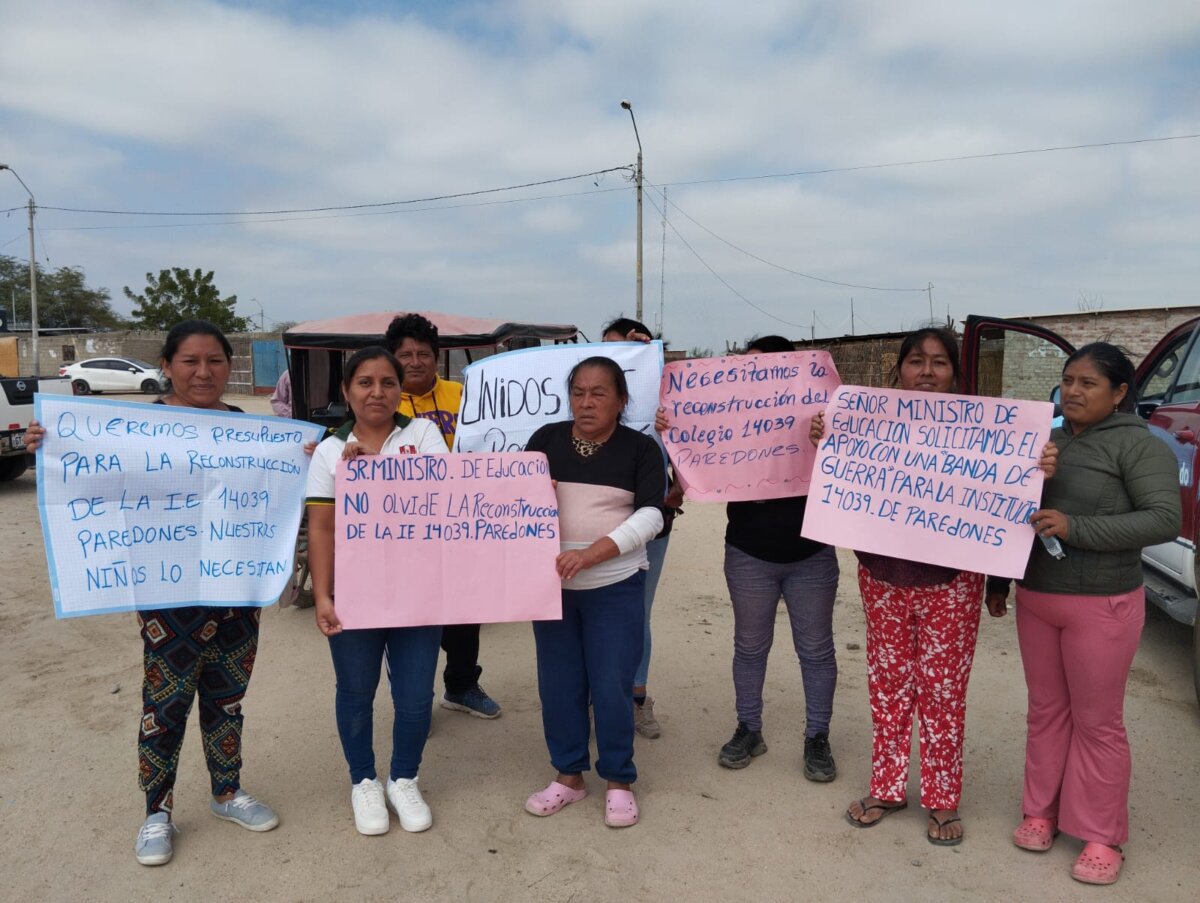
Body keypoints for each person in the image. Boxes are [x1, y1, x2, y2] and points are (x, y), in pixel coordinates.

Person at [26, 320, 281, 867]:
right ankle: (157, 812)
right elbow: (90, 479)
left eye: (215, 360)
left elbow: (274, 494)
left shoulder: (244, 427)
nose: (204, 372)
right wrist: (50, 447)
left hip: (236, 592)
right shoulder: (135, 426)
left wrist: (310, 456)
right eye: (190, 361)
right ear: (167, 366)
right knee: (164, 706)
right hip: (168, 596)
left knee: (227, 700)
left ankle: (226, 793)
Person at [813, 327, 1055, 845]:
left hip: (952, 585)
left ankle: (943, 800)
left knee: (943, 692)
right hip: (882, 578)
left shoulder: (988, 434)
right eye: (917, 361)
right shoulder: (867, 425)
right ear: (898, 369)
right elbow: (841, 490)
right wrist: (828, 441)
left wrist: (1037, 469)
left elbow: (1006, 513)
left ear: (955, 373)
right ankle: (888, 787)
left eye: (939, 362)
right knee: (888, 687)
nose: (927, 372)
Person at [986, 343, 1179, 885]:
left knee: (1098, 723)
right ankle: (1040, 812)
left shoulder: (1140, 448)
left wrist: (1078, 529)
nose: (1073, 390)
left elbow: (1164, 519)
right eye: (1068, 380)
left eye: (1089, 383)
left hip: (1103, 604)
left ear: (1120, 393)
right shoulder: (1041, 441)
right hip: (1038, 599)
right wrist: (999, 580)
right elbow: (1001, 508)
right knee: (1045, 711)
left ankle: (1100, 834)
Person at [656, 335, 840, 780]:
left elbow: (853, 473)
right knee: (750, 647)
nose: (752, 385)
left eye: (764, 371)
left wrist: (832, 439)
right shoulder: (731, 413)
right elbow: (695, 469)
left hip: (811, 552)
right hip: (748, 551)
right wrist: (672, 430)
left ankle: (818, 737)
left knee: (815, 650)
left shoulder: (824, 416)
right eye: (746, 372)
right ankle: (748, 728)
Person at [305, 346, 449, 836]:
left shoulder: (425, 435)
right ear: (346, 391)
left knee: (414, 697)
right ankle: (363, 781)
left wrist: (376, 475)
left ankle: (404, 778)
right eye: (364, 382)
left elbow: (443, 502)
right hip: (355, 594)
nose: (377, 392)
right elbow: (322, 530)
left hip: (418, 593)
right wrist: (324, 596)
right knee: (356, 691)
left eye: (388, 382)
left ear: (400, 389)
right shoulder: (329, 450)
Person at [523, 356, 665, 827]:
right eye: (578, 392)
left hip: (615, 584)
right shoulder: (544, 441)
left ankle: (619, 780)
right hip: (552, 588)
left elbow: (652, 515)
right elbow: (509, 499)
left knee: (611, 682)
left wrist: (593, 553)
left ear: (621, 400)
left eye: (598, 393)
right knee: (559, 683)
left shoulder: (641, 449)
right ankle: (568, 777)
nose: (586, 402)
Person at [383, 313, 501, 719]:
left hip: (463, 529)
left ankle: (462, 685)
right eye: (405, 355)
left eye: (423, 354)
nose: (415, 361)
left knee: (467, 615)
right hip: (401, 534)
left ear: (437, 357)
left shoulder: (468, 395)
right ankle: (412, 699)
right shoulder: (380, 400)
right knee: (408, 617)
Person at [601, 316, 682, 739]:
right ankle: (596, 700)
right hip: (594, 521)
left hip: (651, 524)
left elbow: (693, 455)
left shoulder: (664, 398)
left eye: (626, 350)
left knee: (637, 612)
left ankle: (635, 698)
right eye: (609, 349)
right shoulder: (582, 397)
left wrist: (653, 354)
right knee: (592, 613)